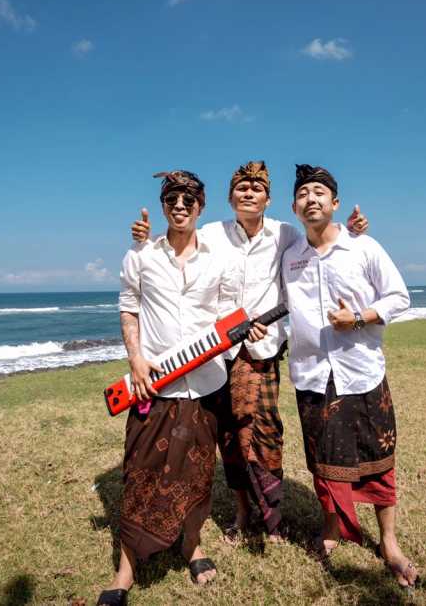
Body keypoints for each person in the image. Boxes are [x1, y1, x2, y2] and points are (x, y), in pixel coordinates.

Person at [129, 161, 368, 543]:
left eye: (257, 188)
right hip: (218, 353)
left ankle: (272, 516)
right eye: (242, 187)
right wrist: (146, 237)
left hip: (263, 349)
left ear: (268, 199)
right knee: (229, 436)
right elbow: (178, 240)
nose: (249, 193)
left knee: (266, 433)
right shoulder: (213, 233)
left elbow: (320, 239)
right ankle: (242, 511)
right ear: (230, 197)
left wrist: (352, 231)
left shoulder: (286, 234)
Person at [97, 170, 265, 606]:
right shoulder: (140, 255)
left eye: (188, 200)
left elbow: (227, 314)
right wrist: (135, 359)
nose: (179, 206)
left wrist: (243, 334)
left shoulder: (218, 259)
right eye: (171, 199)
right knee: (140, 471)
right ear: (162, 205)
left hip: (206, 383)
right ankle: (125, 570)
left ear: (200, 207)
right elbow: (129, 308)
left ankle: (191, 545)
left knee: (197, 474)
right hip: (153, 384)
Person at [280, 164, 418, 590]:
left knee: (377, 457)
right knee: (323, 458)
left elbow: (399, 297)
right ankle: (332, 525)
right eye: (303, 193)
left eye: (319, 192)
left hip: (360, 370)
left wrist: (358, 317)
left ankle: (389, 541)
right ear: (294, 207)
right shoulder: (290, 256)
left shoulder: (364, 247)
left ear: (335, 203)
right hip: (312, 374)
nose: (311, 198)